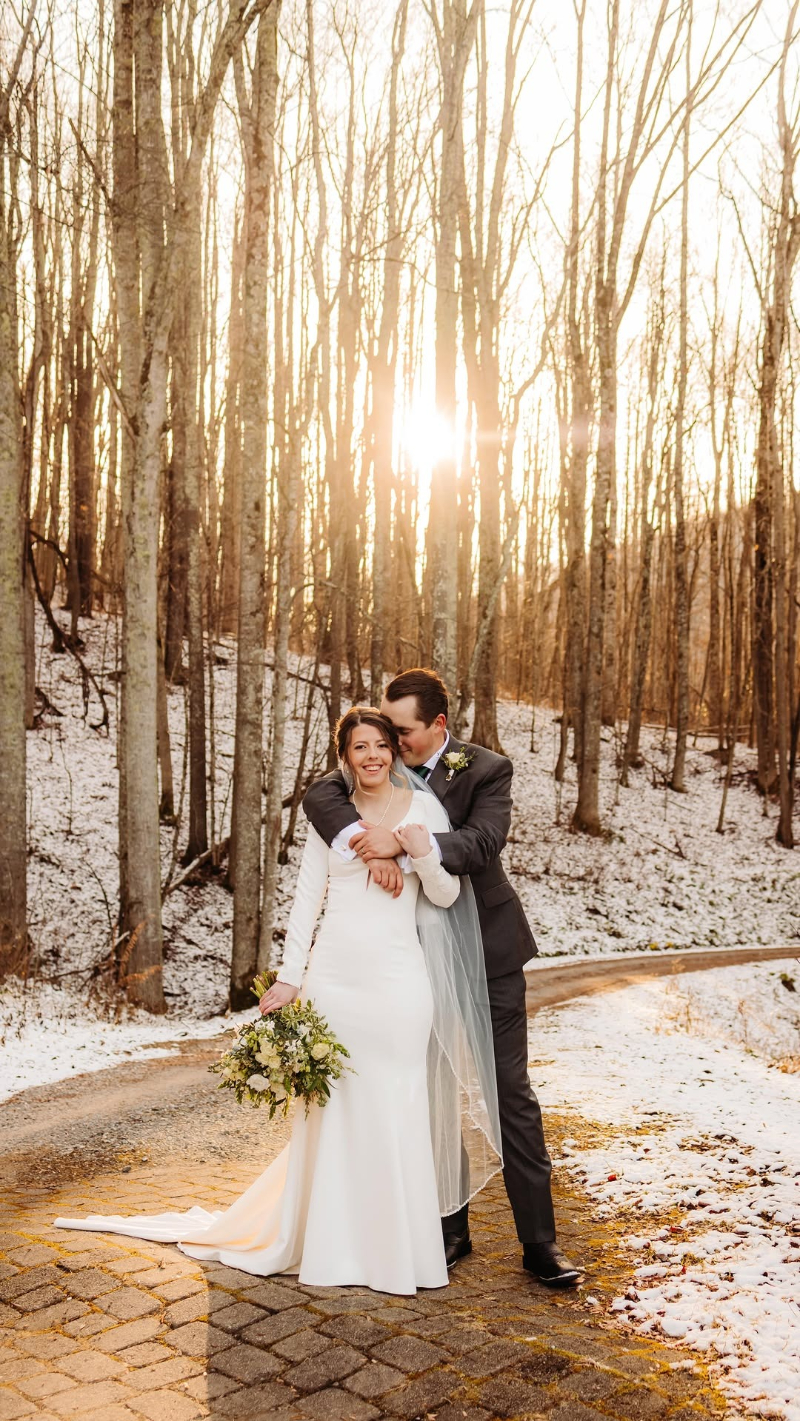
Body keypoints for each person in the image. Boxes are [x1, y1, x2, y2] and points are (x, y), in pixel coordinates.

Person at [54, 708, 501, 1297]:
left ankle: (401, 1249)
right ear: (345, 757)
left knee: (398, 1102)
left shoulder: (424, 812)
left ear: (395, 750)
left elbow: (444, 896)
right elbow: (306, 900)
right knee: (336, 1109)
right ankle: (334, 1245)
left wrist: (419, 854)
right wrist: (289, 979)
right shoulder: (332, 819)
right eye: (358, 747)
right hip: (337, 979)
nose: (371, 756)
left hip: (400, 982)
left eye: (380, 745)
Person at [303, 669, 583, 1289]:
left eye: (399, 732)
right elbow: (322, 794)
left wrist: (400, 846)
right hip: (409, 962)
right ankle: (447, 1227)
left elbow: (482, 844)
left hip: (487, 950)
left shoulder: (486, 769)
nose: (387, 743)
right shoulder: (367, 770)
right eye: (379, 732)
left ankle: (539, 1242)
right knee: (427, 1090)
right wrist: (358, 836)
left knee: (509, 1090)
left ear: (438, 727)